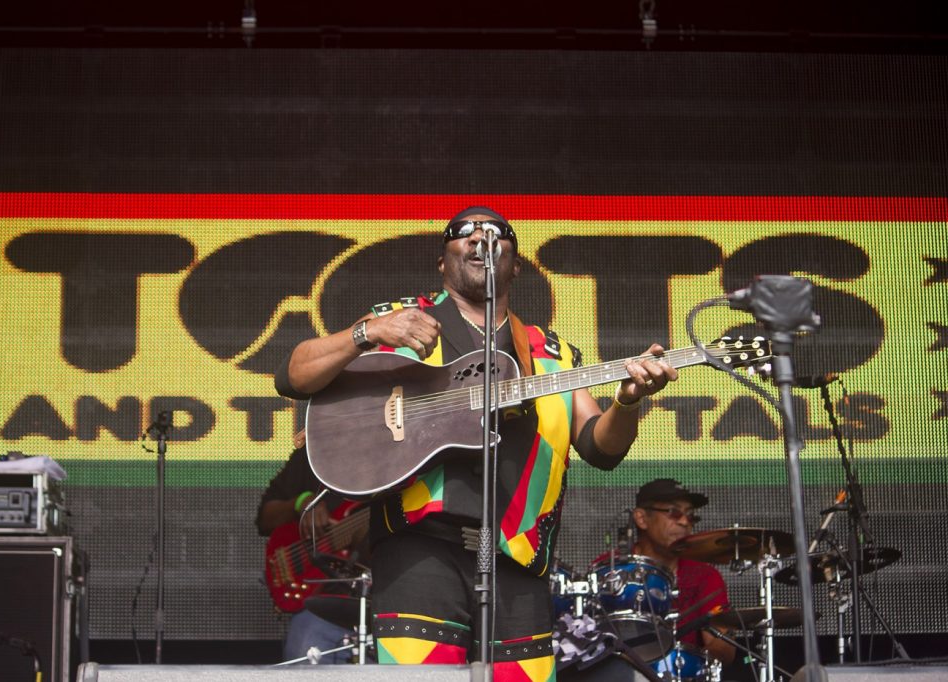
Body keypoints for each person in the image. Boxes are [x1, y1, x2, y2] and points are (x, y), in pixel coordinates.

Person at [275, 207, 677, 679]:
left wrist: (628, 402)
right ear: (442, 262)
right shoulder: (402, 322)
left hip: (518, 555)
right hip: (419, 549)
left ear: (515, 262)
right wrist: (366, 332)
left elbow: (599, 448)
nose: (479, 237)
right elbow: (293, 375)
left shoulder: (551, 352)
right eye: (463, 231)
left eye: (497, 232)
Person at [256, 430, 363, 664]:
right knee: (305, 647)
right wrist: (302, 502)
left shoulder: (410, 454)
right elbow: (265, 517)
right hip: (324, 606)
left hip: (391, 598)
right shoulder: (316, 451)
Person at [627, 478, 736, 666]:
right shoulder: (611, 569)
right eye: (674, 512)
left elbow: (723, 648)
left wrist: (688, 661)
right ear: (642, 518)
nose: (685, 522)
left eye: (690, 515)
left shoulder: (705, 576)